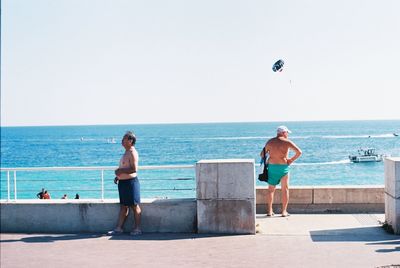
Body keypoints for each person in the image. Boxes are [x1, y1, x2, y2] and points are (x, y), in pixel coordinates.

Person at [261, 126, 302, 217]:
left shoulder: (270, 142)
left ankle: (269, 211)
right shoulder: (287, 142)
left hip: (272, 168)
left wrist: (270, 156)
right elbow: (299, 152)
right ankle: (284, 212)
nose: (287, 134)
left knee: (271, 190)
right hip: (283, 168)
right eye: (287, 133)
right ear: (283, 133)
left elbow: (262, 154)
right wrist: (290, 160)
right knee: (285, 189)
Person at [107, 131, 142, 236]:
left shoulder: (132, 153)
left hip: (131, 183)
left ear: (130, 141)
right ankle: (119, 228)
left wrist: (121, 172)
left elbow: (134, 169)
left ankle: (137, 229)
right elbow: (124, 167)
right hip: (123, 182)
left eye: (124, 139)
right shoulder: (126, 152)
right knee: (123, 206)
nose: (122, 141)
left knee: (134, 206)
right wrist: (118, 177)